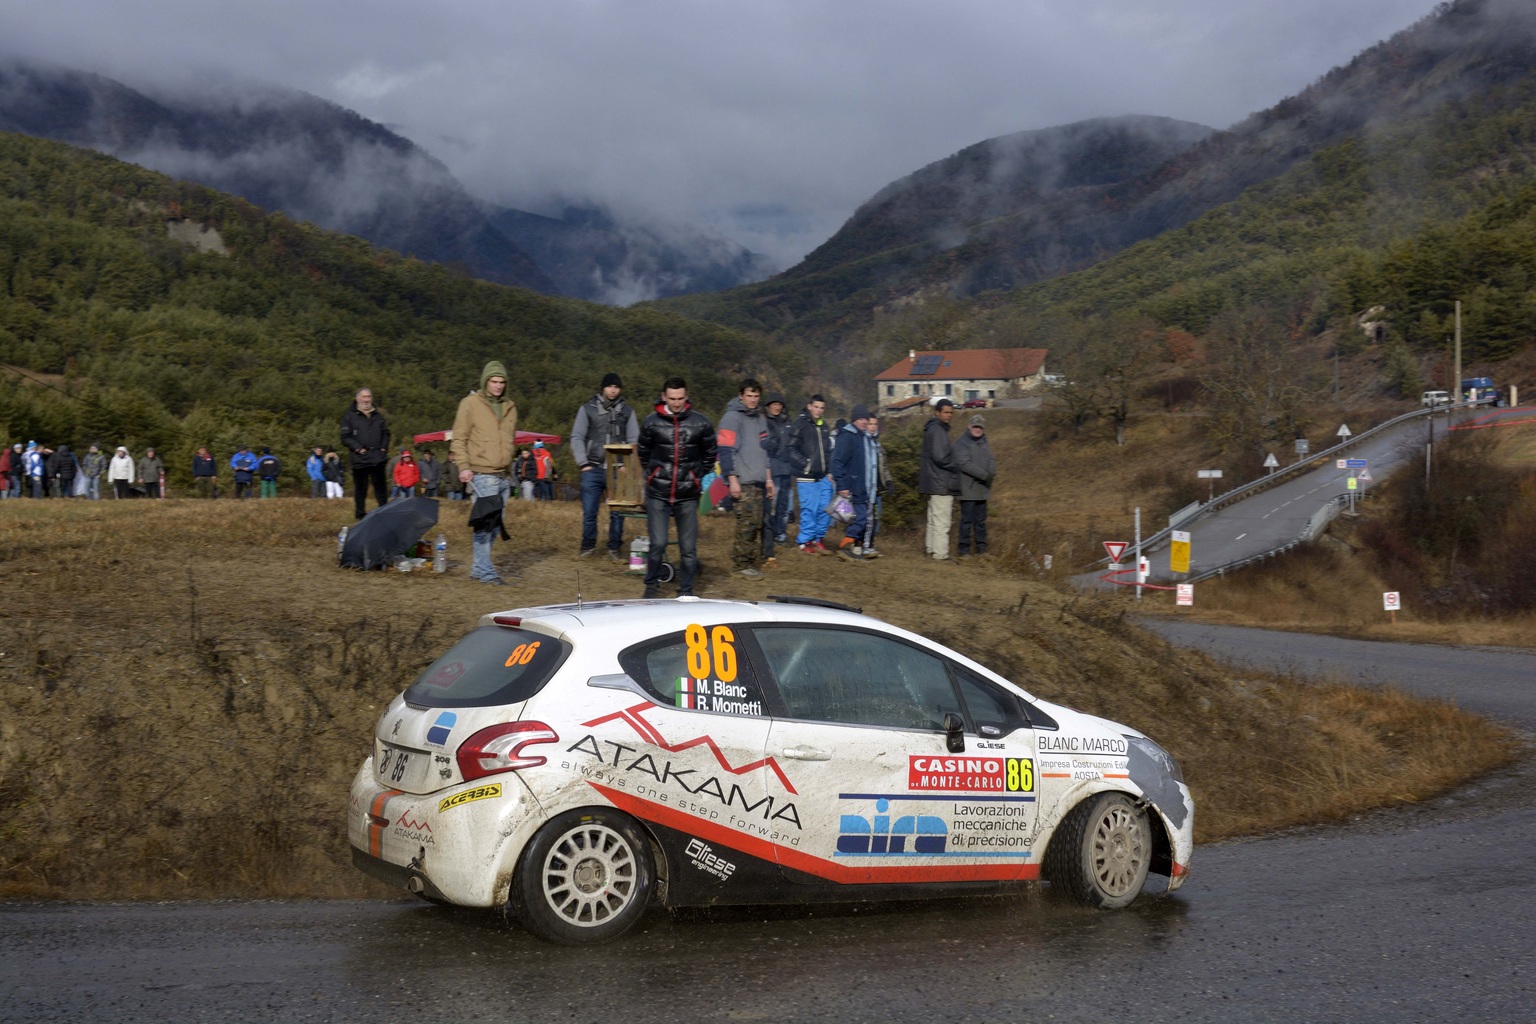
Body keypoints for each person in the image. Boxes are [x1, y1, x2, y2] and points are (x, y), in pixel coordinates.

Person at [637, 376, 715, 598]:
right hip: (658, 493)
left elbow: (710, 452)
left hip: (688, 493)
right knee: (658, 543)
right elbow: (643, 451)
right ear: (663, 397)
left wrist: (696, 476)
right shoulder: (651, 422)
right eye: (672, 398)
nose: (677, 403)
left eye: (680, 398)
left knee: (688, 549)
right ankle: (651, 586)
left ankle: (686, 591)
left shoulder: (701, 423)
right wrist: (654, 475)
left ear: (686, 396)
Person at [450, 361, 519, 585]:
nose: (498, 386)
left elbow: (509, 440)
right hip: (481, 472)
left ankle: (479, 569)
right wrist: (463, 466)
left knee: (496, 525)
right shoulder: (469, 404)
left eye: (501, 382)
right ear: (485, 381)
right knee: (485, 524)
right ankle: (487, 573)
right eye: (494, 381)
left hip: (502, 475)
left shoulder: (511, 407)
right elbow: (459, 437)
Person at [571, 371, 640, 559]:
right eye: (610, 386)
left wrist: (629, 464)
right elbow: (577, 436)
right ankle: (587, 547)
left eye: (616, 387)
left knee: (617, 513)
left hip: (619, 469)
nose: (613, 390)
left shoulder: (627, 411)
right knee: (589, 512)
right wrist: (583, 463)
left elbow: (634, 439)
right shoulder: (588, 408)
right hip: (592, 468)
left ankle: (614, 548)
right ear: (603, 388)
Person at [717, 378, 774, 579]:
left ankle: (748, 560)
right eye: (749, 395)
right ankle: (741, 564)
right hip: (741, 479)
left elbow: (764, 450)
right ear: (741, 396)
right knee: (747, 523)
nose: (752, 400)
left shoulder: (760, 419)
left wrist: (768, 479)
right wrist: (731, 478)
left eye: (756, 396)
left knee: (757, 523)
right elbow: (725, 450)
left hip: (758, 478)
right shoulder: (731, 418)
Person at [788, 395, 835, 555]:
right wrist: (805, 464)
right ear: (809, 406)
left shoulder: (824, 426)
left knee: (825, 509)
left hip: (823, 476)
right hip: (806, 476)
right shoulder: (800, 424)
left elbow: (827, 451)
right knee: (810, 509)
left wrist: (829, 471)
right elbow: (790, 449)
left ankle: (818, 539)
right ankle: (805, 541)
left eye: (822, 408)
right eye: (816, 407)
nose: (819, 410)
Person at [831, 406, 879, 560]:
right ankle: (845, 546)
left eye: (866, 419)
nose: (864, 422)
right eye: (861, 419)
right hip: (851, 486)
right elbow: (837, 462)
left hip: (861, 486)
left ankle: (853, 549)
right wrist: (842, 485)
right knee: (859, 518)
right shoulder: (847, 437)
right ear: (854, 420)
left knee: (857, 518)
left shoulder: (861, 436)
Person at [919, 398, 960, 560]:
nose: (949, 415)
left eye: (951, 412)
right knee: (942, 521)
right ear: (937, 413)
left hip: (933, 481)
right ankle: (941, 554)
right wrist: (956, 464)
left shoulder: (932, 428)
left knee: (934, 520)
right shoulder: (938, 431)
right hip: (941, 482)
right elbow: (941, 457)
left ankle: (931, 549)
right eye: (945, 412)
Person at [340, 387, 390, 519]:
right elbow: (345, 437)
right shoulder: (349, 416)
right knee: (361, 488)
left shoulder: (378, 416)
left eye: (369, 397)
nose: (367, 400)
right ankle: (360, 513)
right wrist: (358, 448)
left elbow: (386, 433)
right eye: (364, 397)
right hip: (359, 459)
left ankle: (384, 511)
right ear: (357, 398)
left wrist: (383, 449)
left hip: (377, 458)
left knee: (381, 488)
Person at [953, 414, 996, 556]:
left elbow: (991, 459)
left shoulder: (984, 441)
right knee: (966, 521)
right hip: (968, 489)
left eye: (980, 427)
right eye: (975, 426)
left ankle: (982, 549)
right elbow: (964, 464)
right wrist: (985, 475)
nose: (978, 429)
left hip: (982, 489)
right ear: (969, 426)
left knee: (981, 521)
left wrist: (991, 472)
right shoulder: (961, 443)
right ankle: (964, 550)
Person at [761, 392, 796, 548]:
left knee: (784, 504)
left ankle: (781, 533)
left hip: (787, 468)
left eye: (779, 404)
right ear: (768, 406)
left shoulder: (788, 422)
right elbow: (762, 445)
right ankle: (769, 533)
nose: (776, 407)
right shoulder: (764, 422)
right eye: (773, 404)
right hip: (772, 467)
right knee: (772, 504)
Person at [863, 414, 891, 558]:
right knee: (865, 519)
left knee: (876, 519)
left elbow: (884, 466)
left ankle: (870, 545)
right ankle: (861, 544)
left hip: (878, 489)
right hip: (866, 488)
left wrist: (889, 481)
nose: (873, 427)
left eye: (875, 424)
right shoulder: (862, 443)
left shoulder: (878, 445)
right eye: (870, 424)